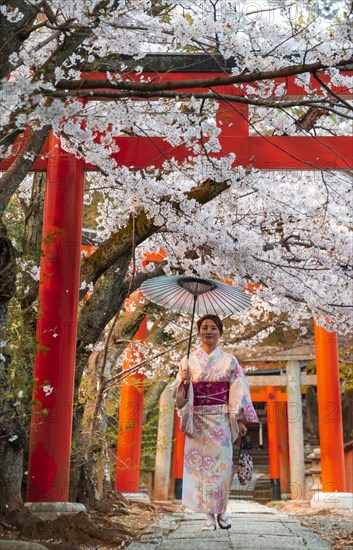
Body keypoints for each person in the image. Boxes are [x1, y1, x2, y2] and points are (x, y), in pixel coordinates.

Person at [170, 314, 258, 531]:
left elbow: (238, 390)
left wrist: (239, 418)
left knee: (221, 466)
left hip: (220, 418)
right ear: (198, 332)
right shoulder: (187, 361)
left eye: (213, 328)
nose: (208, 331)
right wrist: (184, 381)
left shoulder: (230, 361)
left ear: (220, 332)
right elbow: (178, 395)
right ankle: (208, 515)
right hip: (197, 418)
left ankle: (222, 509)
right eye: (204, 328)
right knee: (200, 468)